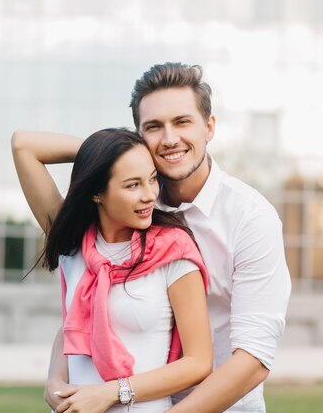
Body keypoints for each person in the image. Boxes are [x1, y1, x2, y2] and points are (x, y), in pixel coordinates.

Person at [33, 62, 291, 413]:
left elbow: (253, 358)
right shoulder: (129, 211)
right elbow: (85, 307)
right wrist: (109, 157)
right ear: (139, 136)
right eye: (154, 127)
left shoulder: (251, 218)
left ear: (209, 127)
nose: (169, 139)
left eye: (182, 122)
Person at [12, 127, 213, 412]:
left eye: (152, 179)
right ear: (97, 192)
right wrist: (55, 376)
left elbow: (199, 362)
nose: (149, 195)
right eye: (132, 184)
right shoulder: (76, 245)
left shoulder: (173, 251)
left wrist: (113, 392)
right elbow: (24, 145)